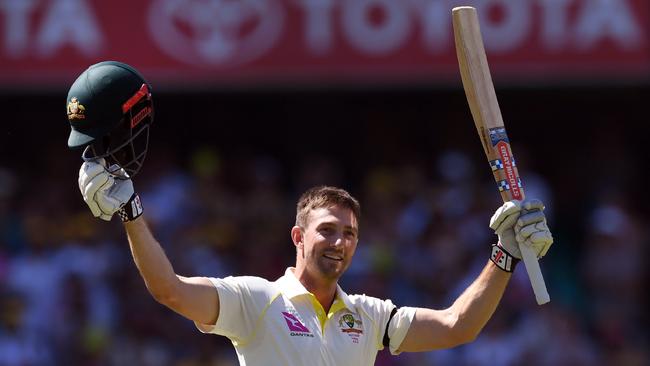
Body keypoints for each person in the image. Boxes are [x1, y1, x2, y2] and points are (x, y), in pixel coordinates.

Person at [68, 62, 554, 366]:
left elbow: (456, 327)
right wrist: (131, 211)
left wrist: (504, 254)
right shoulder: (254, 302)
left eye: (349, 233)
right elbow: (167, 289)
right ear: (297, 236)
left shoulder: (368, 317)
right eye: (327, 231)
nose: (339, 241)